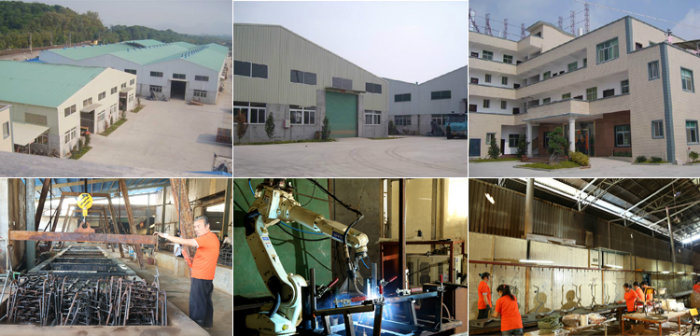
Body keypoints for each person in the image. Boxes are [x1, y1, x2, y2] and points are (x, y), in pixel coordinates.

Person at [156, 215, 220, 328]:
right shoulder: (211, 238)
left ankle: (196, 328)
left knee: (197, 303)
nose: (196, 229)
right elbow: (205, 258)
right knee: (205, 301)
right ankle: (207, 324)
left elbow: (186, 241)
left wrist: (165, 235)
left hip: (201, 277)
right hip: (206, 277)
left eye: (199, 226)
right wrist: (190, 260)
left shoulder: (208, 238)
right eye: (195, 227)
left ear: (207, 226)